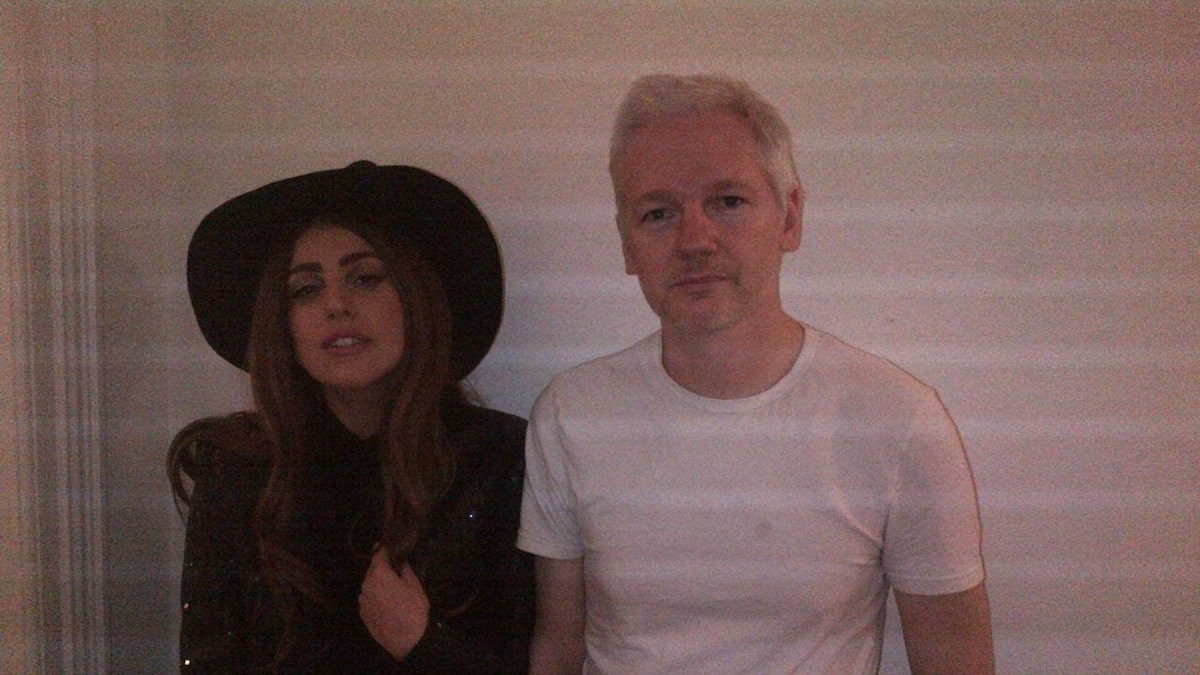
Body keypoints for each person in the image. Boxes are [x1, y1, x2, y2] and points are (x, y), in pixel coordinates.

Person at [518, 74, 995, 674]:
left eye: (728, 202)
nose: (695, 240)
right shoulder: (571, 415)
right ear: (627, 245)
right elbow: (558, 649)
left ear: (789, 218)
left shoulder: (898, 421)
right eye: (658, 213)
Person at [168, 161, 533, 673]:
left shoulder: (500, 459)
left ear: (415, 297)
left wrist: (422, 643)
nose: (336, 305)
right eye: (305, 289)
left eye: (365, 278)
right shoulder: (235, 470)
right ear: (281, 323)